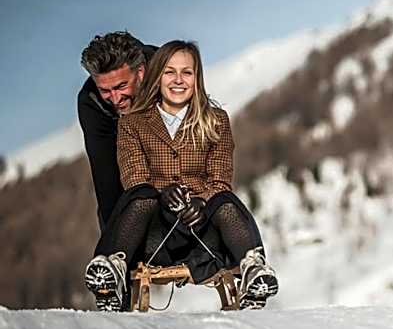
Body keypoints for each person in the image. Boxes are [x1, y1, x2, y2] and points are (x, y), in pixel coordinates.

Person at [83, 40, 279, 311]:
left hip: (202, 230)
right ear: (157, 77)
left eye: (187, 73)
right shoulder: (131, 123)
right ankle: (114, 267)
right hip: (156, 234)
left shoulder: (216, 120)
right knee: (140, 197)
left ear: (197, 78)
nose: (178, 80)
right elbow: (132, 178)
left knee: (225, 201)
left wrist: (201, 201)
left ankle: (253, 268)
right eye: (169, 73)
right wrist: (162, 197)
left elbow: (220, 177)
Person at [79, 32, 156, 234]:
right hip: (131, 176)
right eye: (105, 90)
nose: (115, 98)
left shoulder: (170, 70)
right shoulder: (91, 102)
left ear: (140, 73)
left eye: (121, 86)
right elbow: (107, 181)